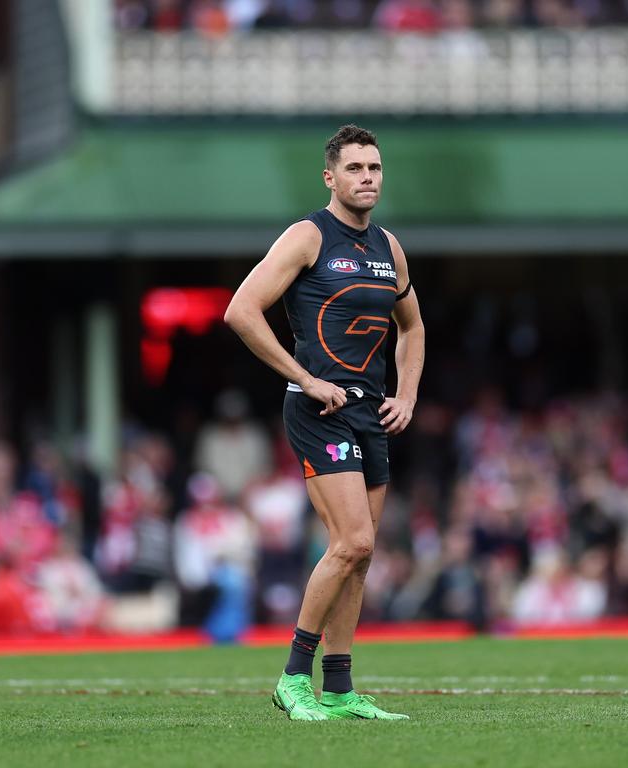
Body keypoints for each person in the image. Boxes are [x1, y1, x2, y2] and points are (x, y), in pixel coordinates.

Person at [225, 124, 425, 720]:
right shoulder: (308, 236)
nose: (368, 178)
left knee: (363, 557)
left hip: (370, 412)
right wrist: (306, 377)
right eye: (356, 168)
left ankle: (338, 688)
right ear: (330, 176)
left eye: (375, 168)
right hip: (319, 409)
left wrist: (407, 394)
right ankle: (293, 679)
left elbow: (412, 327)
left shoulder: (389, 248)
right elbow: (241, 310)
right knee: (353, 541)